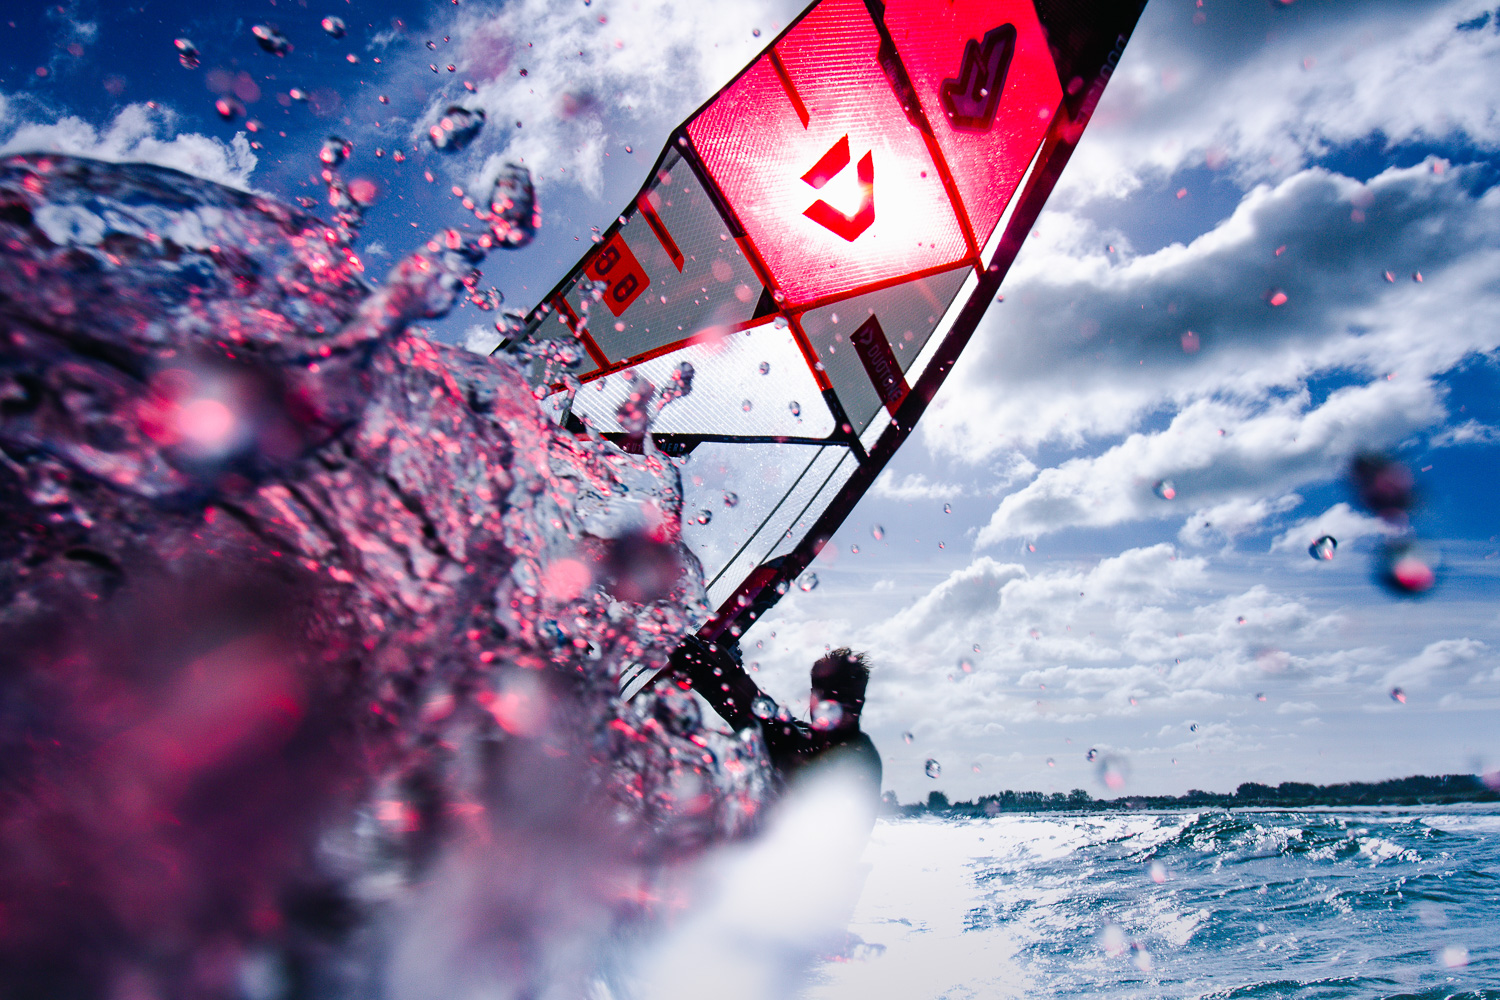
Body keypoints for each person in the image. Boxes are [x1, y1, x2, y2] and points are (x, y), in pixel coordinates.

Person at [669, 637, 883, 817]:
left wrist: (708, 672)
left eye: (852, 701)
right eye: (833, 698)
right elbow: (771, 717)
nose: (844, 709)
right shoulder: (811, 738)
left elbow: (769, 729)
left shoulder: (857, 755)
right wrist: (732, 670)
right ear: (813, 698)